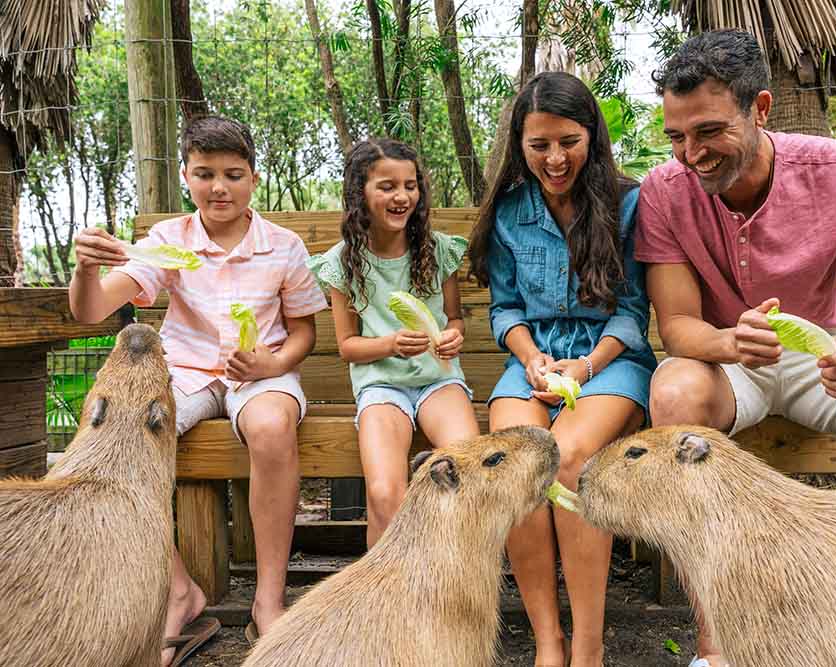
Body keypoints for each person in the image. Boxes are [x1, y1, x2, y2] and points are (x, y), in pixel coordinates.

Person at [635, 30, 836, 667]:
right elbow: (676, 326)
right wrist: (728, 340)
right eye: (677, 138)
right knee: (673, 391)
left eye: (708, 132)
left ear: (760, 109)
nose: (691, 155)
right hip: (729, 360)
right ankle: (717, 646)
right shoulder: (661, 192)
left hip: (827, 350)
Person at [69, 116, 329, 661]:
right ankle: (179, 591)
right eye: (205, 173)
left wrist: (271, 362)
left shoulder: (282, 246)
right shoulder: (168, 241)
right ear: (186, 176)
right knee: (118, 433)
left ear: (253, 179)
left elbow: (304, 330)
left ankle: (268, 599)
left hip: (261, 372)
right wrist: (87, 269)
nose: (219, 187)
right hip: (183, 372)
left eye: (233, 174)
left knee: (271, 426)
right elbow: (91, 308)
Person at [468, 71, 657, 667]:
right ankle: (548, 641)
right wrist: (531, 358)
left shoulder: (627, 204)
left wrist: (585, 365)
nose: (555, 158)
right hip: (534, 360)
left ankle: (589, 647)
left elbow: (631, 313)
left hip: (611, 359)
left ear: (591, 136)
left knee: (570, 459)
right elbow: (505, 308)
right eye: (539, 144)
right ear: (520, 145)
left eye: (568, 142)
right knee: (515, 462)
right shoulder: (508, 211)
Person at [308, 138, 479, 549]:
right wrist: (390, 345)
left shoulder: (437, 250)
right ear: (359, 194)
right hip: (381, 387)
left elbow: (454, 319)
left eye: (410, 185)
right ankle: (387, 595)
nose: (402, 196)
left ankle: (450, 579)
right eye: (387, 186)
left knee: (468, 473)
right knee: (385, 493)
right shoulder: (344, 262)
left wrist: (452, 335)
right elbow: (348, 346)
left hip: (438, 380)